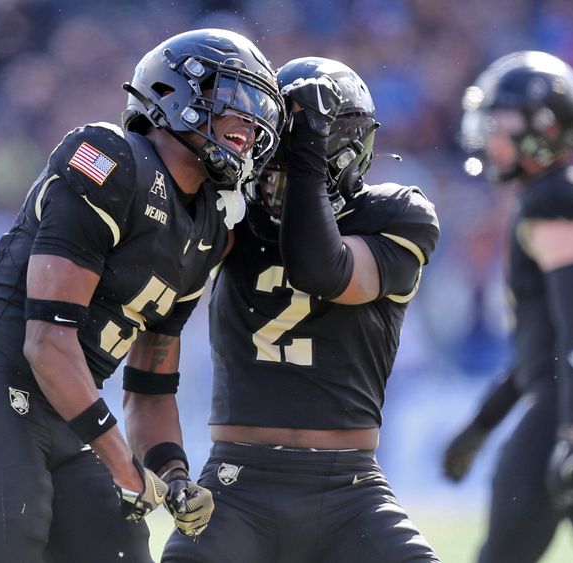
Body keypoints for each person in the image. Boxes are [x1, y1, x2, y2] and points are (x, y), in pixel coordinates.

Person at [0, 28, 286, 563]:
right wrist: (121, 461)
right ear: (173, 92)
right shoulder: (109, 158)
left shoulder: (210, 228)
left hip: (74, 420)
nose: (250, 123)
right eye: (236, 98)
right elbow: (46, 343)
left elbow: (151, 387)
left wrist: (174, 475)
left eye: (260, 111)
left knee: (118, 550)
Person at [161, 57, 441, 562]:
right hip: (237, 485)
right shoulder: (233, 210)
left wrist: (305, 154)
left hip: (349, 489)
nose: (272, 182)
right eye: (272, 164)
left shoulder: (397, 215)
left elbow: (323, 270)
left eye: (294, 165)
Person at [443, 50, 573, 563]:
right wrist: (483, 424)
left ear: (545, 128)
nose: (489, 134)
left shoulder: (556, 199)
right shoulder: (561, 195)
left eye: (501, 120)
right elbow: (548, 348)